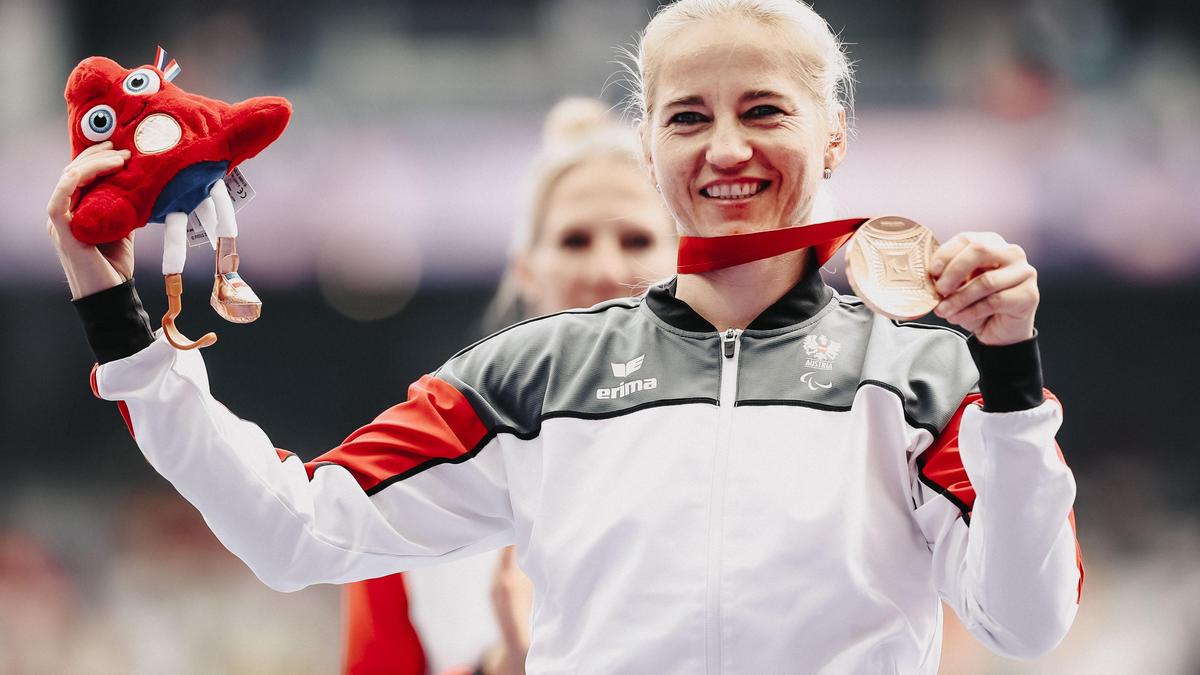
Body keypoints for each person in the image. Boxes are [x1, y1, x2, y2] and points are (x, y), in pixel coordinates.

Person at [48, 1, 1084, 672]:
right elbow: (294, 530)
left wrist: (1009, 385)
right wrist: (120, 323)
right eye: (686, 117)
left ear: (834, 135)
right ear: (648, 144)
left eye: (763, 108)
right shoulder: (536, 374)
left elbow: (1027, 623)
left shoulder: (926, 370)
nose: (726, 146)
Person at [341, 97, 677, 675]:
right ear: (527, 267)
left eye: (636, 241)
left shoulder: (746, 439)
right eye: (574, 240)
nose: (604, 269)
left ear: (683, 260)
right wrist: (503, 666)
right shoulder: (426, 469)